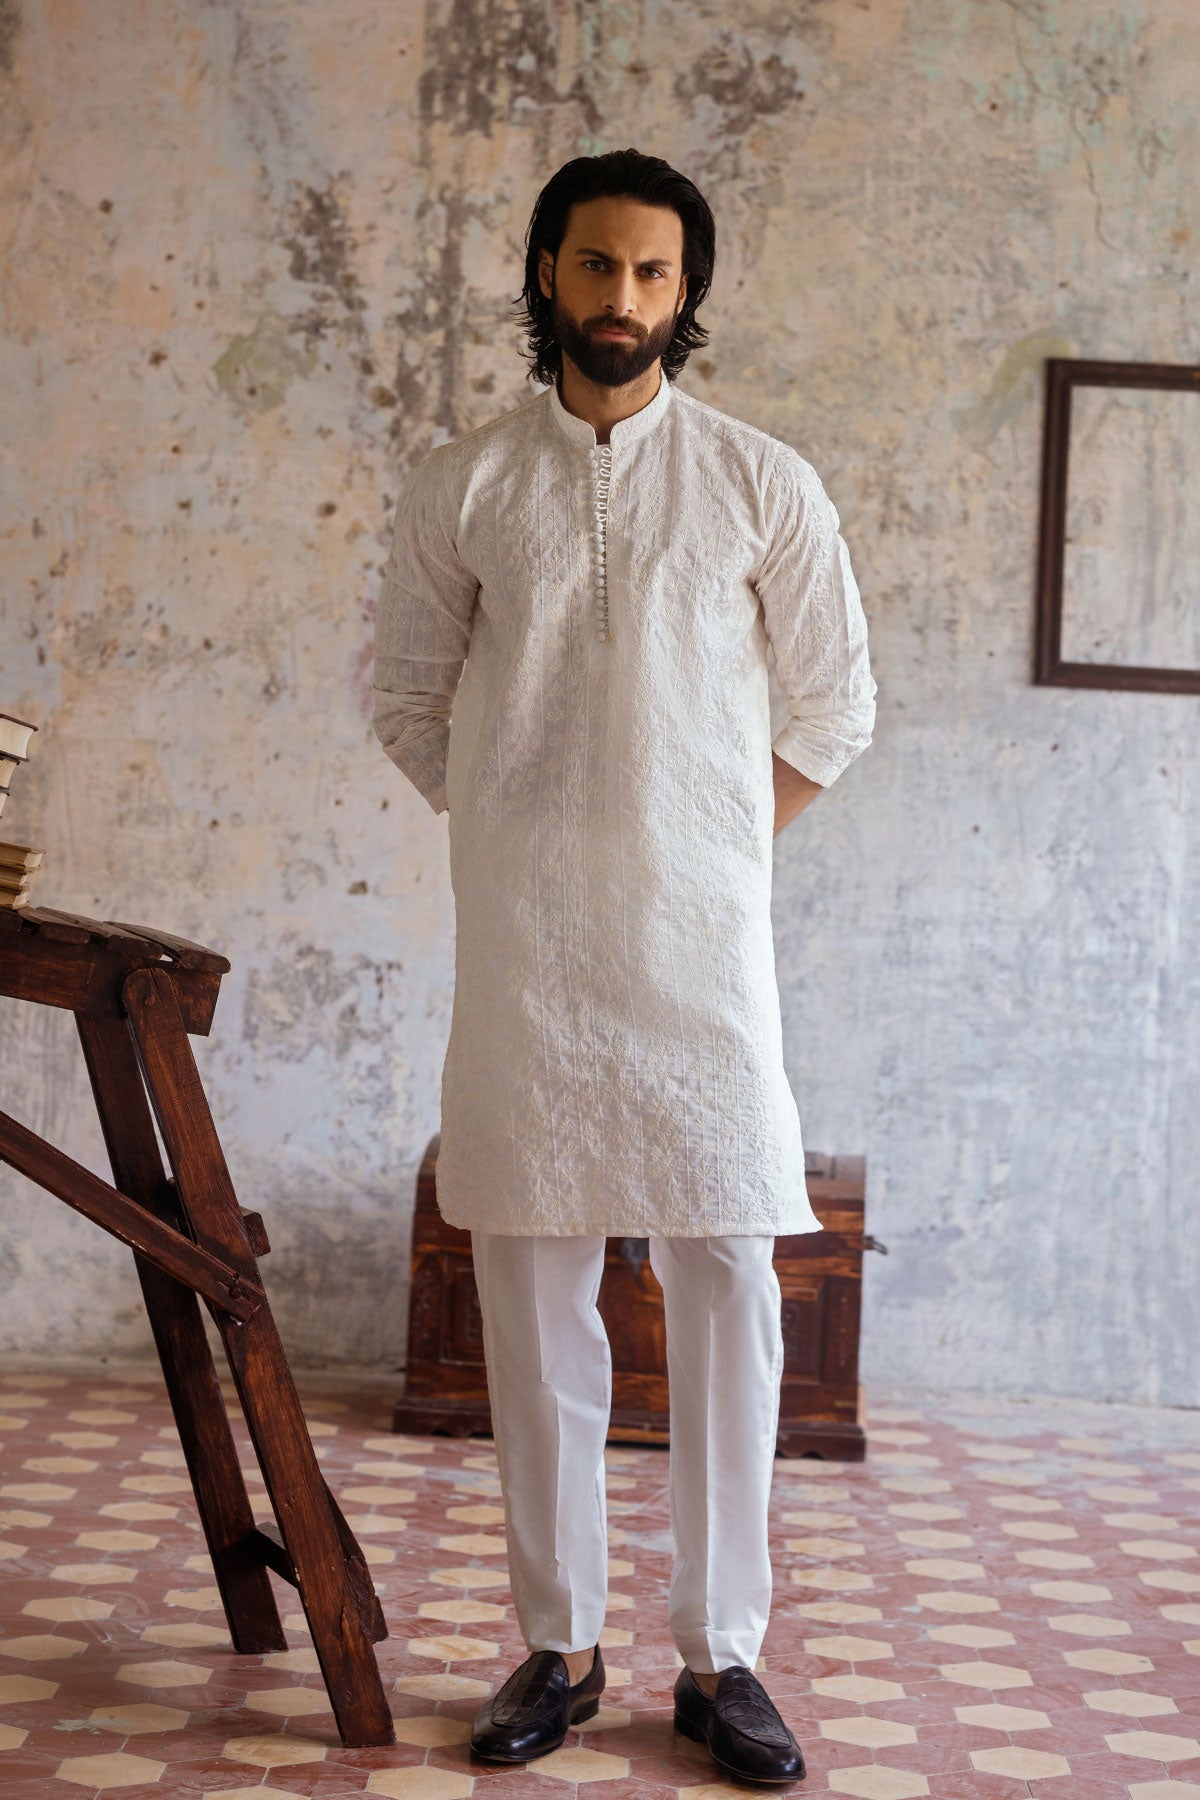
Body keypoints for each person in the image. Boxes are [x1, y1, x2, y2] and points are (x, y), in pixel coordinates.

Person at [373, 147, 876, 1788]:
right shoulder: (466, 485)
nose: (624, 298)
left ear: (688, 291)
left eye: (654, 272)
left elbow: (839, 707)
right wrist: (521, 839)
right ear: (547, 273)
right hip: (528, 954)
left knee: (727, 1276)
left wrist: (715, 845)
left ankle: (724, 1655)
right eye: (597, 265)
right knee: (531, 1285)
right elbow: (403, 698)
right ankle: (560, 1642)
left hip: (702, 951)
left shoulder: (757, 482)